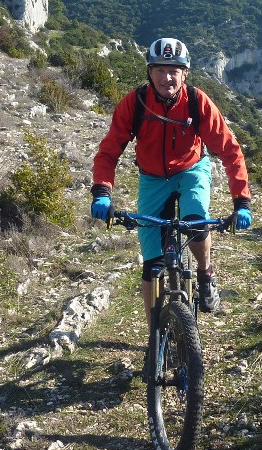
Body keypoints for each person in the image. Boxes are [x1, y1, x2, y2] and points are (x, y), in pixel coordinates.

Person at [90, 37, 252, 320]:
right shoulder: (135, 103)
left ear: (184, 73)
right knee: (152, 266)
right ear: (149, 73)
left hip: (192, 170)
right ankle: (154, 341)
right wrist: (102, 191)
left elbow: (230, 150)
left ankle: (205, 273)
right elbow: (109, 150)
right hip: (152, 178)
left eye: (174, 70)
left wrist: (241, 201)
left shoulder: (197, 102)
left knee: (197, 224)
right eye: (160, 70)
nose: (167, 77)